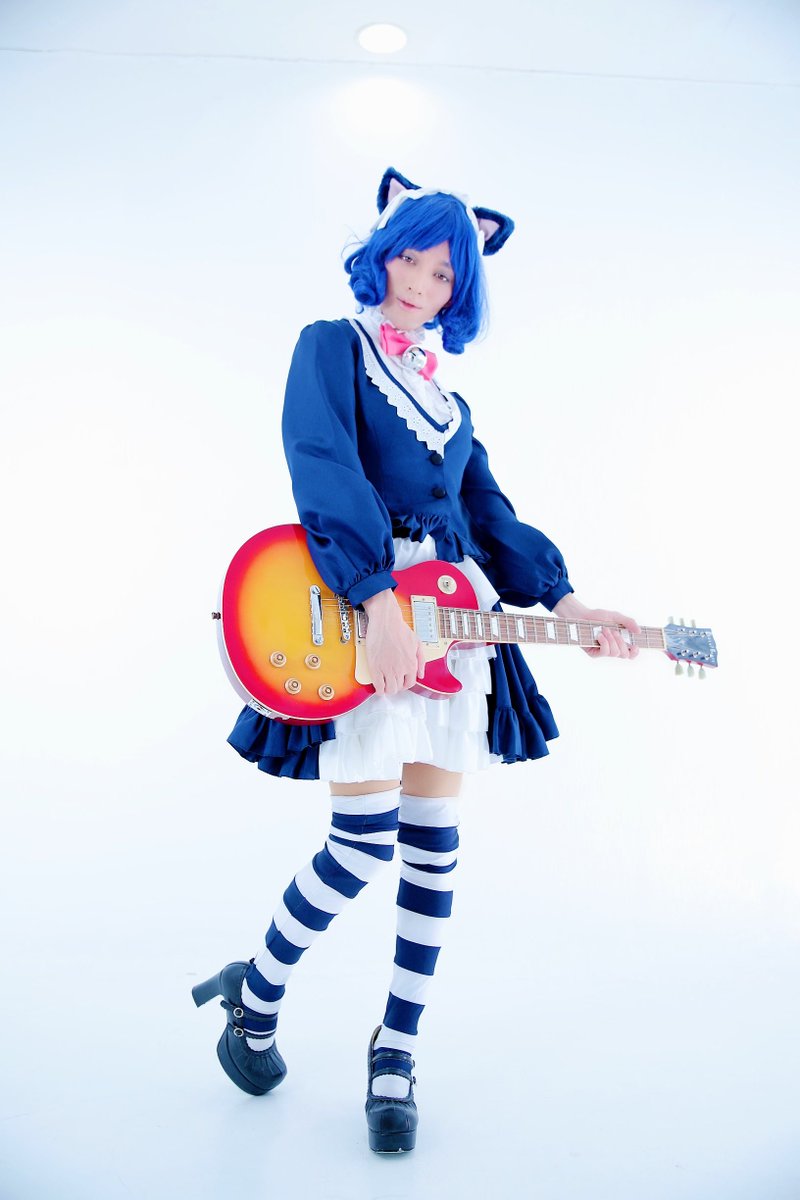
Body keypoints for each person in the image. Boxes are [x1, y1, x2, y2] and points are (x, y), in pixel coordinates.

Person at [193, 167, 640, 1154]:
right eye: (413, 259)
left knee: (434, 844)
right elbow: (321, 465)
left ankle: (394, 1050)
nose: (423, 285)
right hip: (367, 615)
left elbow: (487, 516)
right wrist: (374, 601)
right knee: (360, 842)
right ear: (382, 253)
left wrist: (567, 601)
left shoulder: (450, 402)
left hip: (454, 623)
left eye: (445, 275)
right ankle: (255, 993)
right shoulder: (331, 347)